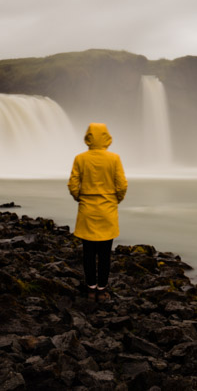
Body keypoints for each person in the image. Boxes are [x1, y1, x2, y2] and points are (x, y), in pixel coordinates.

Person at [68, 123, 128, 301]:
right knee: (104, 253)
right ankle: (102, 289)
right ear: (107, 137)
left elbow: (72, 184)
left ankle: (91, 288)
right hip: (107, 210)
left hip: (87, 210)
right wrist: (116, 199)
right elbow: (122, 185)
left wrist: (80, 197)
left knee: (88, 253)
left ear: (88, 137)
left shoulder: (80, 159)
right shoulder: (114, 158)